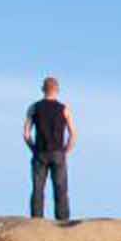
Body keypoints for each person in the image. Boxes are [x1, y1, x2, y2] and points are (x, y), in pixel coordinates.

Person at [23, 77, 78, 220]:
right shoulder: (64, 109)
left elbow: (26, 133)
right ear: (57, 90)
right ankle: (63, 221)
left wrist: (33, 148)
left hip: (40, 152)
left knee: (38, 189)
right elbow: (73, 133)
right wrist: (66, 150)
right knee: (60, 189)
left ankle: (36, 220)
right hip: (58, 153)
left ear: (43, 89)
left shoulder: (34, 107)